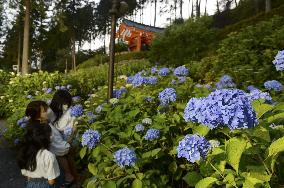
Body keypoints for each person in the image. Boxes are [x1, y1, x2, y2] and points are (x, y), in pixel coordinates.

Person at [25, 101, 72, 187]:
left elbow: (28, 176)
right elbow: (61, 149)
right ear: (37, 115)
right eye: (44, 111)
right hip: (50, 171)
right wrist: (69, 141)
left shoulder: (32, 126)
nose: (48, 112)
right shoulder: (45, 129)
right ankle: (68, 176)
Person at [17, 122, 60, 188]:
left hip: (30, 184)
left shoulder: (24, 153)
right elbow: (51, 181)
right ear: (45, 138)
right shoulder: (48, 156)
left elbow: (28, 177)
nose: (51, 137)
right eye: (50, 135)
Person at [48, 90, 77, 186]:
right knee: (58, 150)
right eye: (64, 103)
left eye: (67, 103)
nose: (66, 105)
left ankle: (70, 177)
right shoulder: (52, 111)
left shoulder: (70, 112)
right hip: (59, 138)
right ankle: (69, 176)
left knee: (63, 153)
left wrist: (69, 140)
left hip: (71, 138)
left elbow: (74, 129)